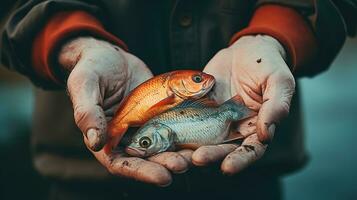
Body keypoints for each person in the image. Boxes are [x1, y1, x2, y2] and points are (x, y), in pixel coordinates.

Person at [0, 0, 355, 199]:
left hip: (247, 185)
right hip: (84, 184)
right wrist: (70, 42)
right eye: (197, 82)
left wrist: (276, 33)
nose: (202, 83)